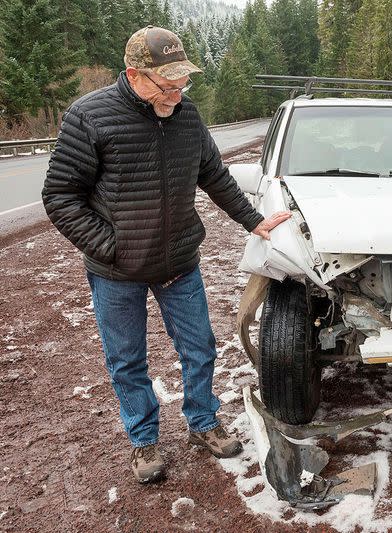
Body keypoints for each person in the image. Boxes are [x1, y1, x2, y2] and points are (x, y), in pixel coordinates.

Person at [41, 26, 290, 483]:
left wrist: (253, 220)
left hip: (178, 263)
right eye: (167, 85)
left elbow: (214, 176)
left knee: (200, 349)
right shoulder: (90, 116)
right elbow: (60, 197)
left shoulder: (186, 114)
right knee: (128, 361)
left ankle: (202, 423)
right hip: (116, 271)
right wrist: (109, 247)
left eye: (182, 83)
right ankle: (143, 441)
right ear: (135, 75)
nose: (177, 94)